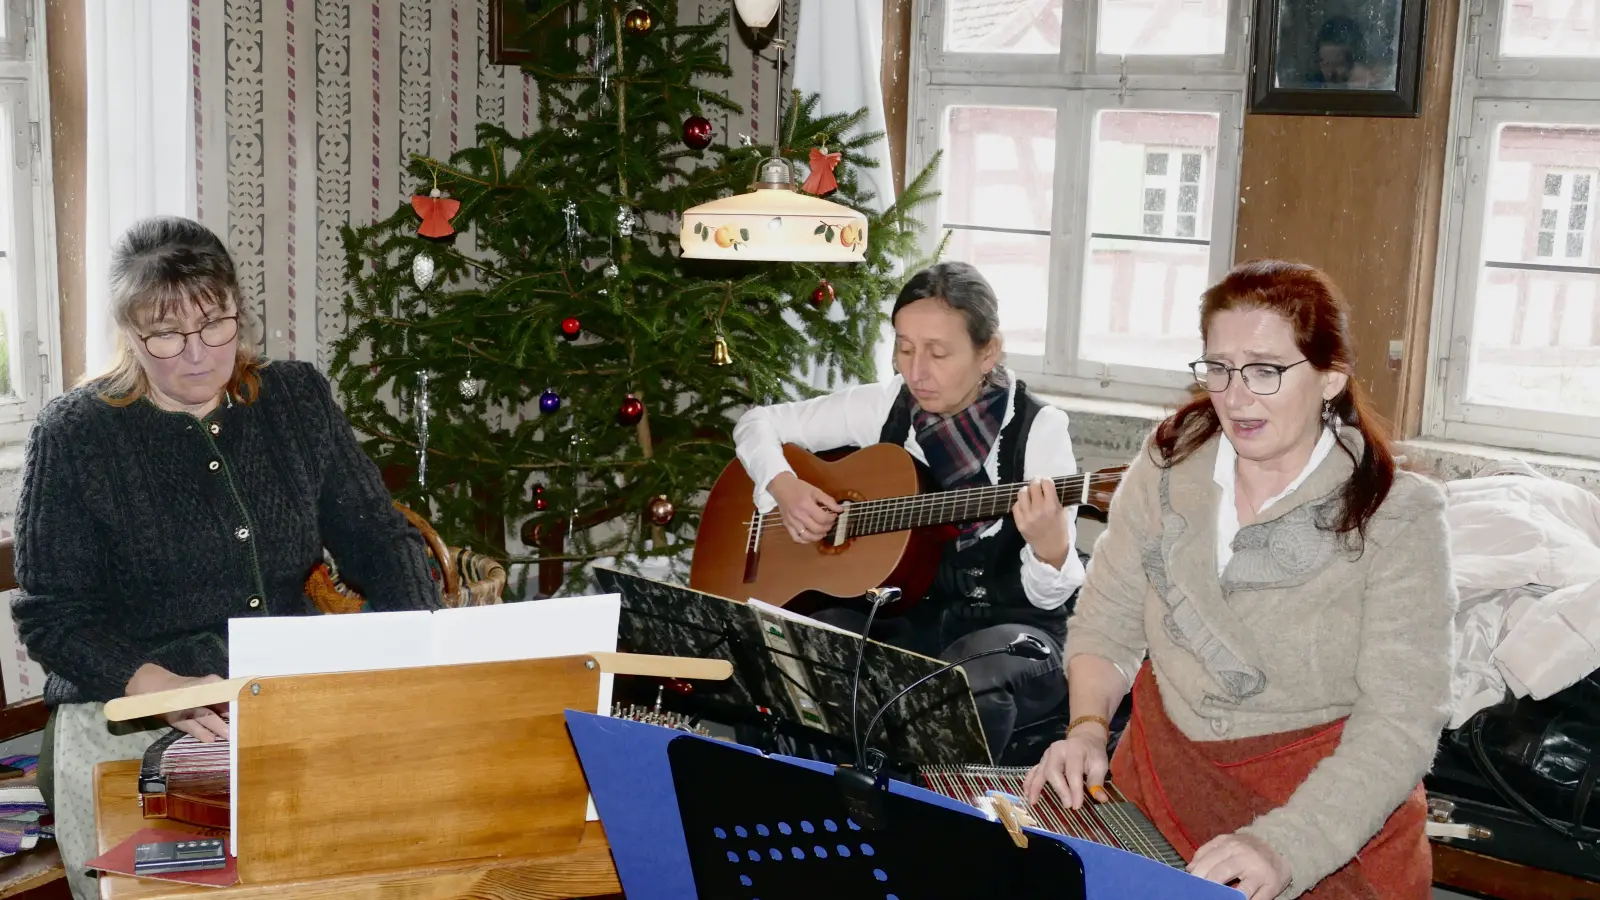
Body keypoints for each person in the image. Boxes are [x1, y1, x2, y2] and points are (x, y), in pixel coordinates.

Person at [13, 216, 439, 899]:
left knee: (380, 863)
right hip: (129, 710)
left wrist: (414, 636)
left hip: (288, 694)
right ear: (129, 332)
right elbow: (53, 615)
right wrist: (154, 685)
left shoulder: (294, 398)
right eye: (165, 334)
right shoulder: (76, 435)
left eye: (215, 324)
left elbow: (378, 536)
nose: (196, 353)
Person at [1023, 260, 1455, 899]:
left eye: (1265, 370)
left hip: (1329, 824)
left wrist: (1285, 846)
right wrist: (1086, 727)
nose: (1235, 395)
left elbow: (1401, 721)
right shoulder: (1167, 464)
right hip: (1159, 794)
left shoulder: (1397, 514)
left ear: (1331, 377)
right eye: (1219, 367)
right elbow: (1108, 619)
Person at [732, 261, 1086, 755]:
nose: (915, 371)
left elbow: (1049, 600)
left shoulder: (1037, 430)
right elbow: (757, 424)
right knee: (790, 650)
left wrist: (1051, 547)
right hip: (911, 623)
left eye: (938, 353)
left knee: (959, 682)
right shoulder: (886, 405)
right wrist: (784, 486)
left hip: (1015, 634)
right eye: (904, 348)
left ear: (989, 353)